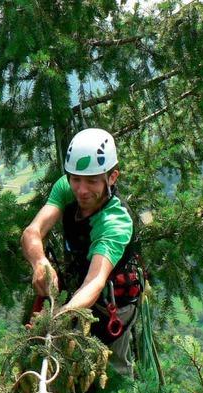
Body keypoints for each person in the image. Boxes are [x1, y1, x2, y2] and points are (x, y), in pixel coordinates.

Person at [21, 128, 143, 377]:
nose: (82, 190)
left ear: (112, 177)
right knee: (67, 365)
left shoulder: (115, 222)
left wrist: (58, 319)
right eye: (76, 179)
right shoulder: (68, 187)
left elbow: (95, 282)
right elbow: (32, 233)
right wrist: (39, 262)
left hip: (112, 304)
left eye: (92, 181)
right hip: (77, 289)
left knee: (113, 368)